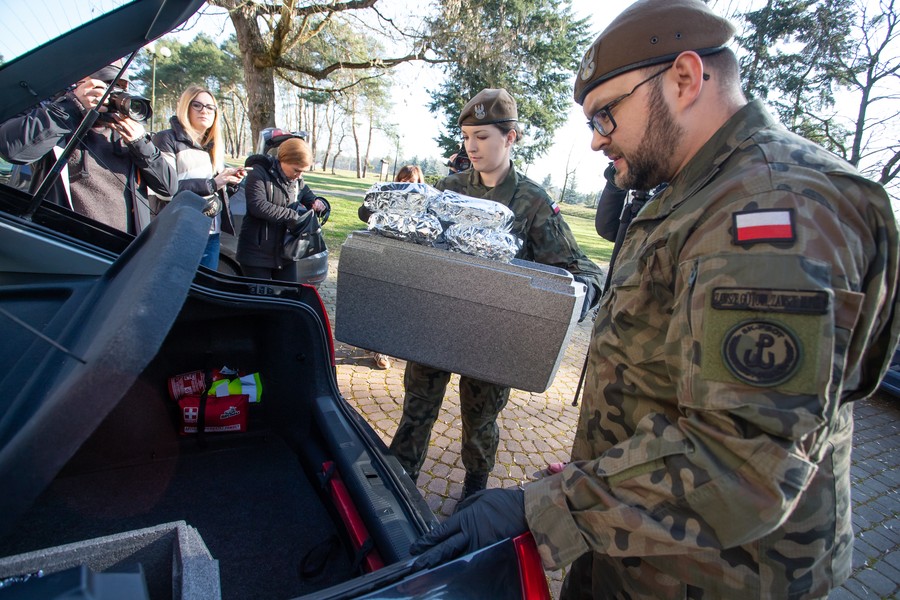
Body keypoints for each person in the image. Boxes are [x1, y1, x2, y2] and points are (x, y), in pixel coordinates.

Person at [407, 2, 900, 598]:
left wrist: (547, 507)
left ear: (684, 79)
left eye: (606, 114)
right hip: (639, 541)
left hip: (712, 575)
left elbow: (741, 463)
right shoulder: (699, 190)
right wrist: (603, 470)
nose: (596, 139)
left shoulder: (771, 208)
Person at [389, 88, 605, 500]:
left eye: (482, 136)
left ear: (510, 138)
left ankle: (474, 493)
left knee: (480, 421)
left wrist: (570, 306)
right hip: (436, 325)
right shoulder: (447, 188)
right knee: (416, 410)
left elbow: (582, 269)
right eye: (466, 137)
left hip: (490, 336)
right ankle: (399, 489)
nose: (471, 147)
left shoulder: (532, 201)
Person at [0, 60, 176, 233]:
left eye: (121, 86)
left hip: (124, 247)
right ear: (80, 83)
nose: (115, 93)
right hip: (69, 243)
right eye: (108, 83)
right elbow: (12, 150)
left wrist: (141, 144)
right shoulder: (59, 116)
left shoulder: (127, 132)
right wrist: (73, 105)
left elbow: (169, 188)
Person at [152, 85, 244, 270]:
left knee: (205, 285)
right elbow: (164, 189)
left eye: (210, 107)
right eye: (197, 105)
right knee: (176, 284)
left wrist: (229, 182)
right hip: (178, 230)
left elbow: (213, 191)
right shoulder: (166, 139)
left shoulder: (214, 146)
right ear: (185, 107)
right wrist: (212, 184)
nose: (204, 111)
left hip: (210, 231)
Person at [358, 163, 425, 370]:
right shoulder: (387, 194)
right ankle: (378, 348)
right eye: (403, 181)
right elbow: (363, 213)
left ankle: (382, 345)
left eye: (411, 182)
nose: (407, 185)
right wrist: (379, 200)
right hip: (383, 255)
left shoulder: (424, 201)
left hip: (407, 259)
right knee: (381, 301)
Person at [236, 137, 327, 281]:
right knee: (262, 295)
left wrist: (320, 203)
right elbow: (258, 206)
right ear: (283, 159)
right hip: (256, 254)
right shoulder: (258, 172)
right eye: (296, 170)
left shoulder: (296, 180)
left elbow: (310, 197)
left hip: (285, 253)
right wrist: (293, 215)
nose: (299, 175)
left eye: (303, 172)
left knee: (288, 293)